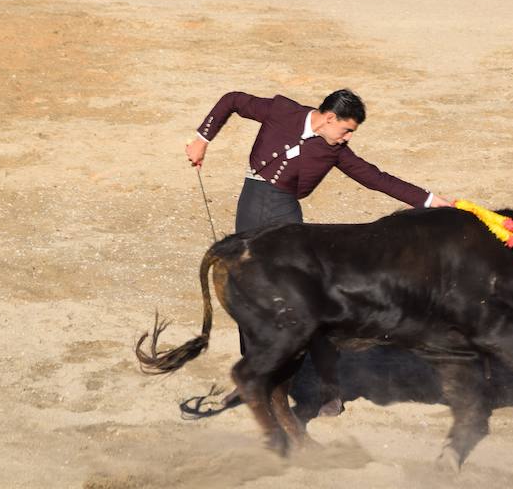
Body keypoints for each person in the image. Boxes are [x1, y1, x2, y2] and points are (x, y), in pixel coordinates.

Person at [185, 89, 451, 415]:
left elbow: (375, 178)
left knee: (309, 304)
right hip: (250, 208)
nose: (347, 138)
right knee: (248, 296)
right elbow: (233, 100)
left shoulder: (335, 151)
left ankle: (329, 385)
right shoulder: (282, 111)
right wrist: (202, 138)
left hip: (284, 220)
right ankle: (257, 376)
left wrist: (428, 201)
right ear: (328, 118)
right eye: (346, 129)